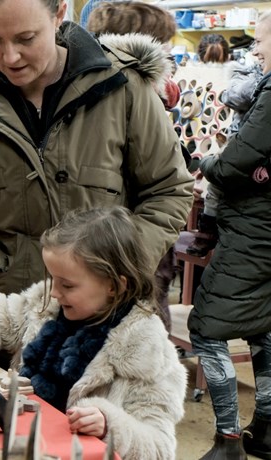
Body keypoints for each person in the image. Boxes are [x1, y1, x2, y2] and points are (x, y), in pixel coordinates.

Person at [0, 0, 194, 322]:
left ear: (59, 14)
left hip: (101, 318)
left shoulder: (123, 88)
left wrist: (119, 267)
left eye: (26, 38)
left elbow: (167, 190)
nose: (10, 57)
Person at [0, 206, 187, 460]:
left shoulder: (150, 356)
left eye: (67, 285)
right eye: (53, 279)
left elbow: (160, 447)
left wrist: (110, 425)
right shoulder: (45, 308)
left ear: (114, 285)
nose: (54, 292)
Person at [188, 11, 271, 459]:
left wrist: (204, 162)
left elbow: (235, 163)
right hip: (263, 230)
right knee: (264, 325)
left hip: (253, 232)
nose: (255, 50)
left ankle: (229, 441)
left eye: (261, 41)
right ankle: (267, 427)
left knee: (206, 325)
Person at [85, 0, 182, 332]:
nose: (168, 54)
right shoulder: (128, 92)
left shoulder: (143, 93)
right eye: (162, 43)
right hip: (123, 250)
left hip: (134, 247)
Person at [186, 50, 264, 257]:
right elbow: (234, 97)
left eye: (260, 42)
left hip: (254, 143)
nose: (256, 50)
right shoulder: (247, 70)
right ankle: (207, 232)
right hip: (240, 139)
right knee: (217, 186)